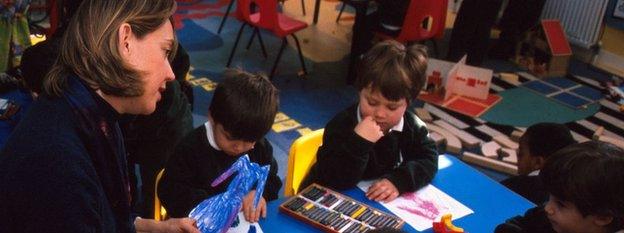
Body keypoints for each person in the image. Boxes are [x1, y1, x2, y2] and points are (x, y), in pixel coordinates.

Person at [0, 0, 199, 232]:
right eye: (165, 52)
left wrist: (153, 228)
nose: (171, 74)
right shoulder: (57, 163)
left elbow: (103, 214)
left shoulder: (92, 111)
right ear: (125, 42)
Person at [301, 40, 438, 203]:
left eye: (392, 107)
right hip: (320, 201)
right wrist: (359, 143)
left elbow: (429, 159)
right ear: (360, 91)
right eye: (372, 102)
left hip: (369, 205)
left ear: (408, 102)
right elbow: (337, 181)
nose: (380, 113)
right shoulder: (340, 126)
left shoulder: (412, 126)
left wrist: (399, 181)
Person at [158, 69, 282, 223]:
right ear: (212, 117)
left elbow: (272, 179)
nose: (238, 148)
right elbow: (169, 191)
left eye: (249, 141)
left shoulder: (260, 147)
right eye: (230, 138)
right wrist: (213, 206)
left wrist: (258, 193)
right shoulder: (191, 148)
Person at [495, 141, 624, 233]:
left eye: (561, 204)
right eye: (550, 197)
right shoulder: (550, 217)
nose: (548, 208)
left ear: (602, 217)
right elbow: (517, 224)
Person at [500, 122, 576, 205]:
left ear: (538, 162)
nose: (516, 155)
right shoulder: (582, 186)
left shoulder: (512, 187)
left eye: (521, 153)